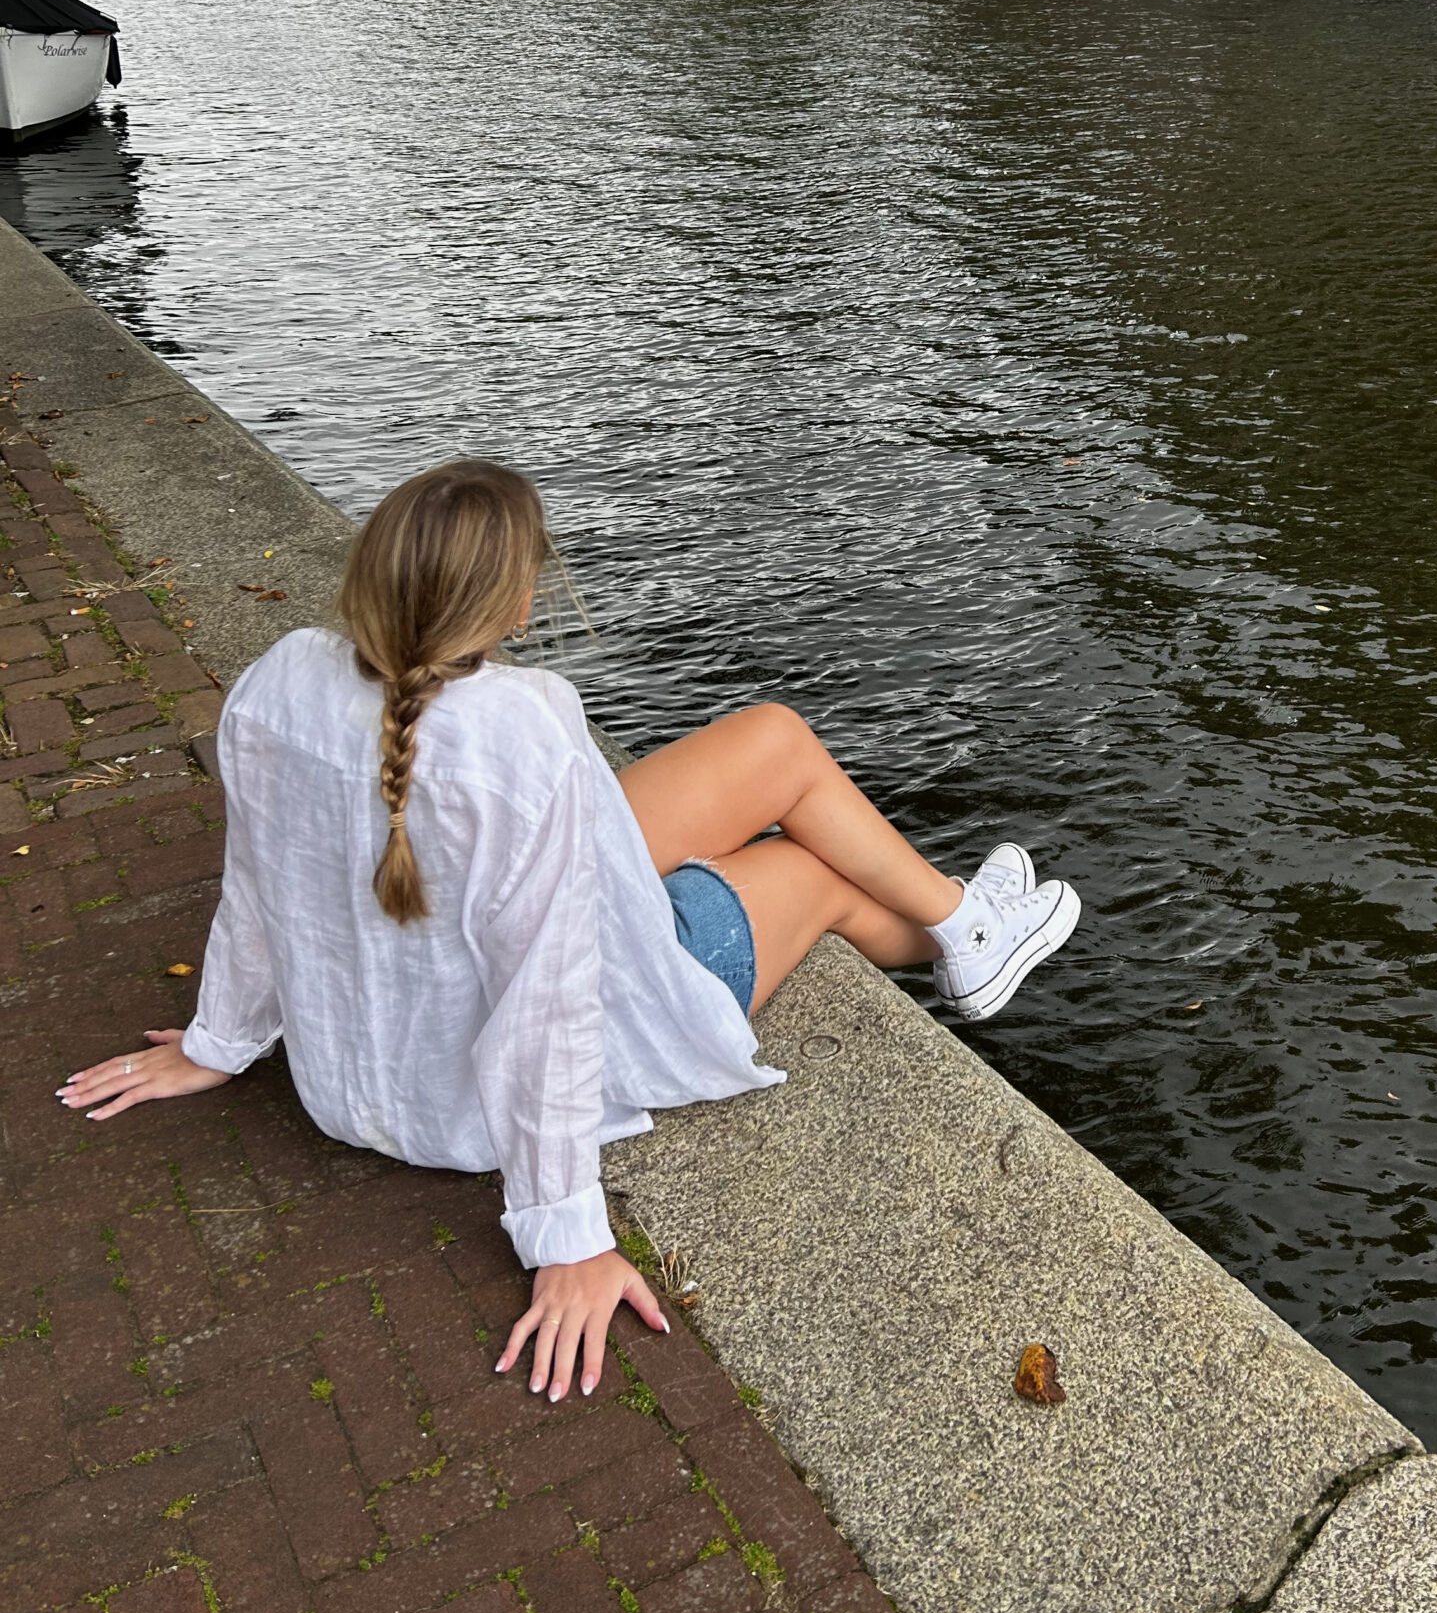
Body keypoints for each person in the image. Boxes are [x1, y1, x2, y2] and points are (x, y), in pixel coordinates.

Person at [58, 462, 1080, 1405]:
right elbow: (544, 998)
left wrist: (218, 1041)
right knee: (819, 867)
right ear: (513, 606)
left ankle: (963, 914)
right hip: (494, 1076)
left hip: (359, 1067)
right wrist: (566, 1236)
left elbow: (259, 884)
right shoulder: (525, 720)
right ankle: (967, 943)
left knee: (774, 741)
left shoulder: (282, 678)